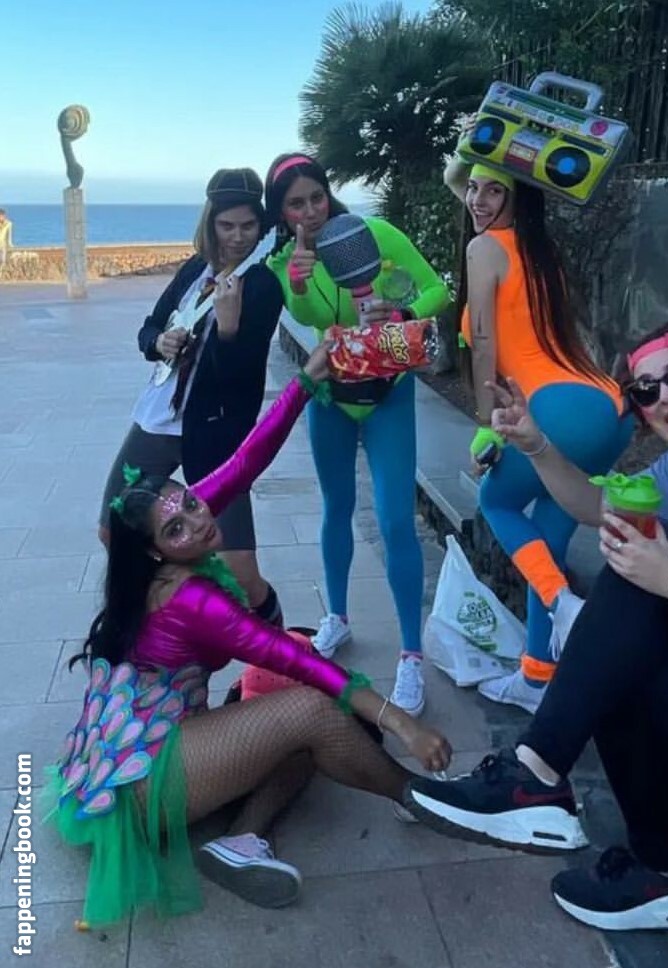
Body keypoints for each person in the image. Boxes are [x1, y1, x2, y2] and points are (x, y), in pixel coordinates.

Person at [402, 319, 668, 932]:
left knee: (631, 641)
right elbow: (597, 506)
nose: (665, 397)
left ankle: (637, 854)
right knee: (625, 614)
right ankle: (548, 781)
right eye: (645, 391)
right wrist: (536, 445)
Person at [46, 342, 452, 928]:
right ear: (156, 551)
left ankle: (241, 840)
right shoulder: (190, 598)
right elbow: (289, 657)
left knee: (308, 725)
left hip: (148, 745)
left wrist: (305, 381)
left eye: (190, 503)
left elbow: (245, 462)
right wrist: (401, 722)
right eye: (176, 528)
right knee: (312, 705)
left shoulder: (173, 540)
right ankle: (426, 800)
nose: (197, 521)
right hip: (141, 783)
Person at [442, 154, 633, 713]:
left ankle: (564, 606)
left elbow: (483, 341)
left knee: (495, 500)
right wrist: (484, 147)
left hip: (556, 409)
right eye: (473, 189)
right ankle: (537, 675)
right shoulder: (538, 250)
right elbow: (462, 181)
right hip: (608, 408)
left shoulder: (484, 247)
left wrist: (488, 426)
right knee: (545, 542)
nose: (476, 200)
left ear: (516, 197)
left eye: (492, 191)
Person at [265, 152, 451, 716]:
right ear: (280, 211)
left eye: (316, 197)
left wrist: (398, 316)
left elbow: (436, 290)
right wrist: (298, 280)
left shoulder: (373, 234)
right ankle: (337, 618)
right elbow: (306, 315)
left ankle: (411, 655)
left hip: (389, 392)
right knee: (336, 507)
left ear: (328, 194)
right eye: (295, 204)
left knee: (395, 520)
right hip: (332, 395)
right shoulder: (283, 259)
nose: (309, 211)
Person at [99, 169, 286, 627]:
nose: (238, 237)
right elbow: (149, 327)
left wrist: (228, 328)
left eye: (248, 226)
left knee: (240, 570)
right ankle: (162, 620)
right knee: (114, 528)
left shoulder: (262, 285)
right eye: (227, 225)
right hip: (160, 420)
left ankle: (277, 646)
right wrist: (159, 341)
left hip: (217, 434)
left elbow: (241, 376)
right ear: (210, 223)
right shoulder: (193, 271)